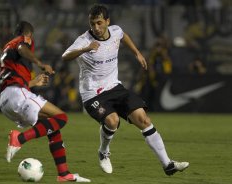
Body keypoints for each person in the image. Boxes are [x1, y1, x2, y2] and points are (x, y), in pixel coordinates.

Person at [62, 4, 189, 175]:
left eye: (99, 23)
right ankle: (103, 152)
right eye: (92, 24)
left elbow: (123, 36)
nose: (96, 28)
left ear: (107, 21)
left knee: (143, 119)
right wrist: (85, 49)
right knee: (113, 121)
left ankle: (168, 165)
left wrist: (137, 52)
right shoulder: (84, 40)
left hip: (114, 87)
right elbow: (65, 56)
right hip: (92, 93)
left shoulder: (115, 31)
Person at [0, 21, 90, 182]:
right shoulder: (22, 42)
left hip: (7, 100)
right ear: (28, 35)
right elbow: (22, 48)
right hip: (17, 94)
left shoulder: (7, 48)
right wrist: (40, 64)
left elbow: (12, 80)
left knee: (53, 127)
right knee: (61, 118)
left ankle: (63, 174)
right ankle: (19, 139)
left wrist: (34, 83)